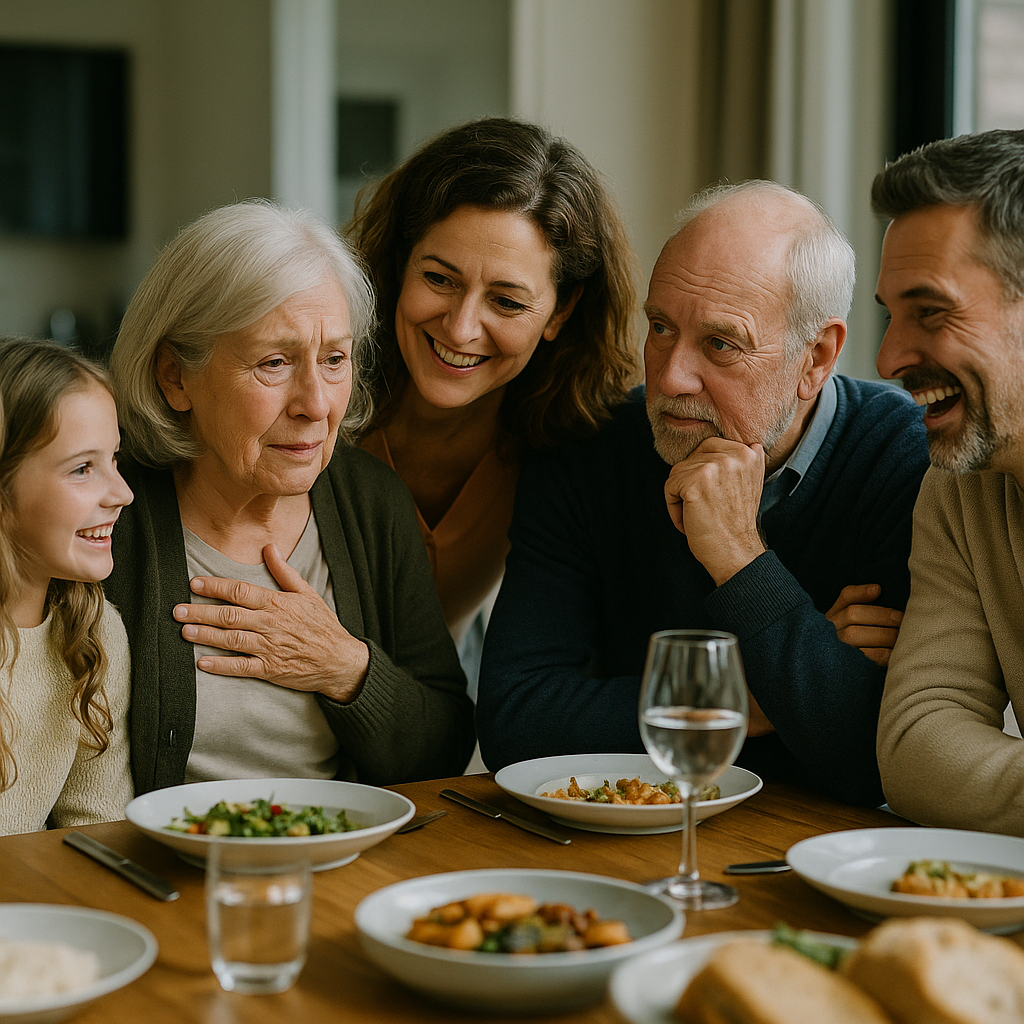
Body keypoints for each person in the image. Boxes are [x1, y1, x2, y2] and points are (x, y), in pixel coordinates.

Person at [476, 181, 930, 806]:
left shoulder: (903, 455)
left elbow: (872, 758)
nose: (668, 375)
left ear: (816, 358)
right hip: (612, 846)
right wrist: (765, 689)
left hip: (815, 856)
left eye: (720, 343)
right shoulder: (588, 448)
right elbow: (515, 722)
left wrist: (740, 557)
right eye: (660, 327)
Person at [107, 200, 474, 795]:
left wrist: (345, 668)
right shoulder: (108, 512)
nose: (317, 404)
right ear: (175, 376)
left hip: (338, 865)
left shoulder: (370, 501)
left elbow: (446, 747)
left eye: (335, 359)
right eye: (274, 362)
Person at [348, 118, 639, 668]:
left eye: (506, 302)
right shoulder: (317, 404)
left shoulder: (573, 445)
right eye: (439, 278)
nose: (460, 329)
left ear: (561, 311)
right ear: (400, 261)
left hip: (455, 723)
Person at [873, 130, 1024, 836]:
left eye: (930, 311)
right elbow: (917, 748)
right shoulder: (962, 482)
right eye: (891, 313)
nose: (889, 356)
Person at [0, 337, 134, 834]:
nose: (122, 493)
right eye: (83, 468)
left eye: (114, 460)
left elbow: (97, 830)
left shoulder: (95, 636)